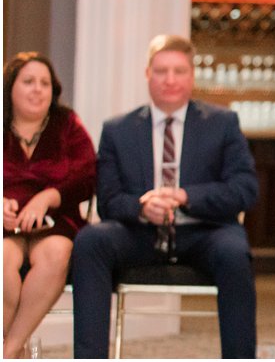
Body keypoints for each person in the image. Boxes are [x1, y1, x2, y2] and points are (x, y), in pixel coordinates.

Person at [72, 34, 259, 359]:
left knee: (234, 251)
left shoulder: (223, 124)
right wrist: (142, 207)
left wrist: (186, 196)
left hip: (205, 231)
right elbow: (109, 199)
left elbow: (245, 189)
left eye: (178, 71)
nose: (169, 80)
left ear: (191, 75)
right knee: (91, 240)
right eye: (161, 71)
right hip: (138, 232)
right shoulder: (118, 130)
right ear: (148, 74)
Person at [3, 53, 96, 360]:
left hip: (56, 222)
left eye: (45, 83)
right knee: (2, 263)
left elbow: (87, 174)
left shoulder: (67, 123)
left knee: (57, 253)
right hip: (5, 225)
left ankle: (12, 346)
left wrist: (48, 197)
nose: (37, 89)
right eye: (28, 82)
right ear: (10, 87)